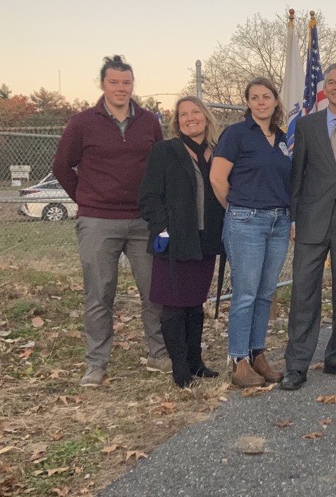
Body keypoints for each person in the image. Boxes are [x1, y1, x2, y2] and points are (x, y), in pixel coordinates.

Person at [52, 55, 167, 388]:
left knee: (154, 292)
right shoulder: (82, 123)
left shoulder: (149, 122)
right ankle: (96, 362)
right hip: (98, 221)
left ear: (133, 85)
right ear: (102, 84)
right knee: (100, 294)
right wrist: (86, 198)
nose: (121, 88)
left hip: (142, 221)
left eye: (126, 82)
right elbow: (61, 166)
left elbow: (160, 165)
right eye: (114, 82)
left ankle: (159, 353)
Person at [279, 64, 336, 391]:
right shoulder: (307, 125)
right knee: (304, 292)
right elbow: (297, 174)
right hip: (311, 218)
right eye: (331, 82)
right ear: (325, 88)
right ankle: (297, 365)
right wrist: (293, 218)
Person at [138, 96, 225, 388]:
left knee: (195, 303)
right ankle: (180, 368)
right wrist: (164, 228)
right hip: (174, 240)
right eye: (183, 114)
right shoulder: (165, 151)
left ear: (206, 116)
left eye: (195, 112)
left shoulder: (217, 151)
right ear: (177, 122)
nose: (190, 118)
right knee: (174, 305)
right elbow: (149, 196)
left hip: (206, 240)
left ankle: (195, 361)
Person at [210, 77, 290, 388]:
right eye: (254, 97)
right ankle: (238, 359)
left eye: (266, 96)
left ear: (275, 101)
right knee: (245, 294)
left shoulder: (283, 138)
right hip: (247, 221)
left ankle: (257, 354)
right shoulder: (236, 134)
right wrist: (238, 209)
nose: (261, 102)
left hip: (279, 222)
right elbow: (218, 179)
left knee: (265, 293)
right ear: (247, 102)